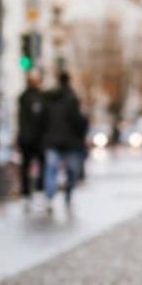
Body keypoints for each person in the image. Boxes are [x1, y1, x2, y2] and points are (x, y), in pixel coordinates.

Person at [41, 71, 88, 213]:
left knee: (51, 170)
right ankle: (68, 195)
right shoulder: (72, 99)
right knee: (71, 171)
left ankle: (49, 197)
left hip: (52, 141)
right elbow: (79, 121)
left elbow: (42, 121)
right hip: (70, 142)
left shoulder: (48, 98)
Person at [16, 68, 47, 209]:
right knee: (28, 167)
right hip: (31, 139)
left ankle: (33, 194)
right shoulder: (27, 97)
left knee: (33, 166)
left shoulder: (35, 97)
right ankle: (27, 195)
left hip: (36, 139)